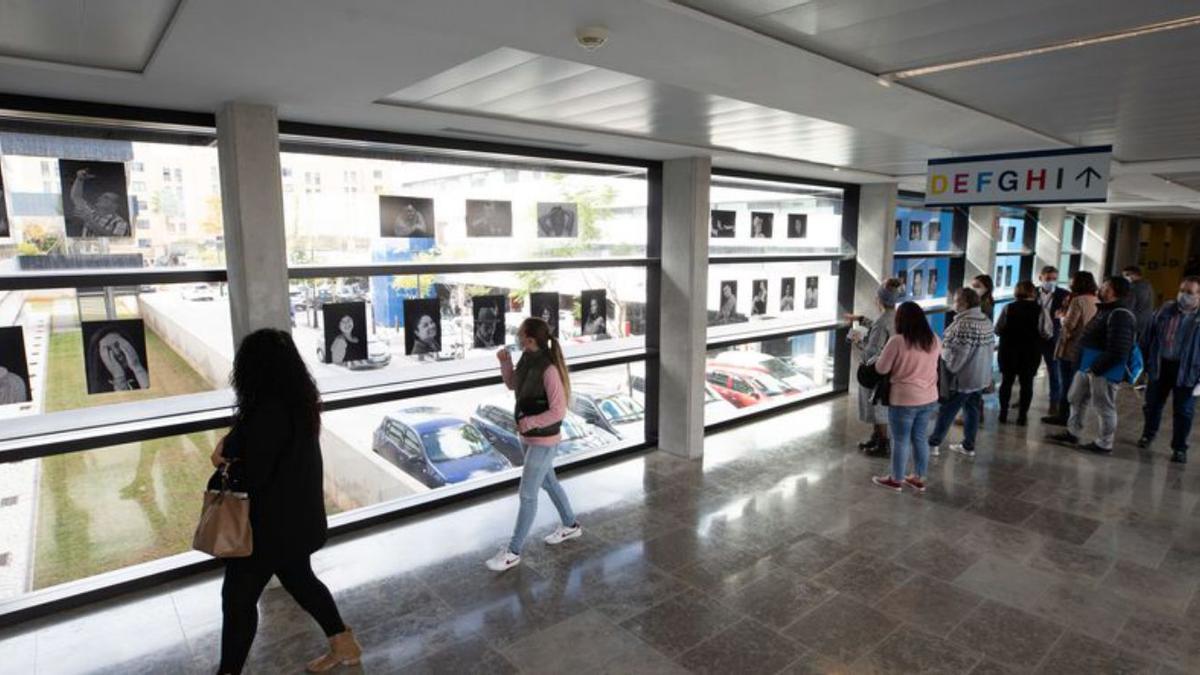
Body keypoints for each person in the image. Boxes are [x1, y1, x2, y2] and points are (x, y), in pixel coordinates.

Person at [211, 329, 360, 674]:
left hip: (267, 531)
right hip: (298, 522)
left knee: (237, 602)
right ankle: (345, 646)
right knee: (300, 580)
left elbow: (255, 474)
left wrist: (224, 461)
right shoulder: (300, 402)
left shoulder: (265, 412)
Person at [487, 318, 581, 571]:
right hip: (528, 437)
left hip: (544, 439)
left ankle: (513, 551)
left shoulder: (549, 369)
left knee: (527, 494)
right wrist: (505, 364)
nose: (517, 335)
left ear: (530, 338)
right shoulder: (528, 358)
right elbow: (513, 384)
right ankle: (570, 525)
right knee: (549, 482)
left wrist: (528, 423)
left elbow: (558, 411)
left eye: (520, 333)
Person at [1048, 276, 1137, 453]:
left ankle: (1105, 443)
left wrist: (1095, 368)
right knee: (1075, 397)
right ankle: (1073, 432)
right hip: (1087, 364)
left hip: (1103, 369)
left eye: (1105, 285)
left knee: (1104, 406)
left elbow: (1119, 350)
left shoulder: (1120, 314)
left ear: (1112, 291)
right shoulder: (1105, 309)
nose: (1100, 287)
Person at [871, 302, 941, 492]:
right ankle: (918, 477)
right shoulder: (934, 339)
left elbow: (881, 368)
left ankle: (896, 479)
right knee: (920, 438)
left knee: (900, 439)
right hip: (929, 397)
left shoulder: (897, 341)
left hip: (904, 399)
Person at [1137, 276, 1200, 464]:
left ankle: (1179, 448)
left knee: (1184, 411)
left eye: (1189, 292)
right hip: (1161, 364)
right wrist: (1144, 364)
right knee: (1152, 405)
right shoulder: (1165, 310)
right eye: (1182, 290)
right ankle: (1148, 434)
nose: (1183, 295)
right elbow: (1148, 336)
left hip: (1188, 371)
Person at [927, 288, 993, 457]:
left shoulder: (964, 324)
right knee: (972, 410)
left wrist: (946, 366)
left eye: (955, 300)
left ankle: (933, 443)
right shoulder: (984, 319)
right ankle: (969, 445)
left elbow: (958, 356)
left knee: (947, 411)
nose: (953, 303)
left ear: (964, 303)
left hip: (963, 379)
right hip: (979, 377)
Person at [847, 278, 904, 457]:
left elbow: (872, 351)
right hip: (893, 368)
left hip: (878, 371)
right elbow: (880, 329)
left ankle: (882, 443)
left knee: (877, 407)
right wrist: (862, 320)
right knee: (880, 406)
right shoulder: (897, 316)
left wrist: (857, 341)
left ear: (879, 299)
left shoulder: (882, 322)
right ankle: (877, 439)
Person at [1043, 271, 1100, 425]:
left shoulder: (1078, 301)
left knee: (1066, 383)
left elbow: (1070, 324)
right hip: (1086, 348)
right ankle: (1071, 417)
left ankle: (1063, 416)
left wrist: (1061, 317)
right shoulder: (1096, 300)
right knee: (1077, 384)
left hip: (1070, 347)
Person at [995, 280, 1043, 425]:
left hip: (1009, 351)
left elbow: (998, 329)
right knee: (1027, 384)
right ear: (1033, 292)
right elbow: (1046, 332)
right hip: (1031, 352)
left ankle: (1003, 413)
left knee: (1006, 382)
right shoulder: (1041, 310)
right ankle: (1022, 416)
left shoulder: (1008, 308)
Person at [1037, 266, 1071, 417]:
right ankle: (1025, 397)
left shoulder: (1064, 295)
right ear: (1041, 278)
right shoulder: (1032, 292)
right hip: (1035, 336)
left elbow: (1068, 315)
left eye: (1053, 279)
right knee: (1028, 370)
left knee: (1054, 371)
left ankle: (1054, 402)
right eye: (1048, 278)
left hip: (1053, 337)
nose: (1050, 281)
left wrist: (1063, 313)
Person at [69, 167, 130, 237]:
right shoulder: (91, 213)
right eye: (101, 196)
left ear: (115, 206)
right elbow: (76, 197)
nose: (100, 198)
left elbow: (115, 240)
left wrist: (89, 221)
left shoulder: (119, 222)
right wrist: (79, 179)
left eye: (106, 198)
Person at [1124, 265, 1155, 346]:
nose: (1125, 278)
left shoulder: (1133, 288)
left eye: (1127, 275)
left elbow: (1128, 308)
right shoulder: (1148, 285)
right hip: (1147, 323)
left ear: (1134, 274)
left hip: (1135, 324)